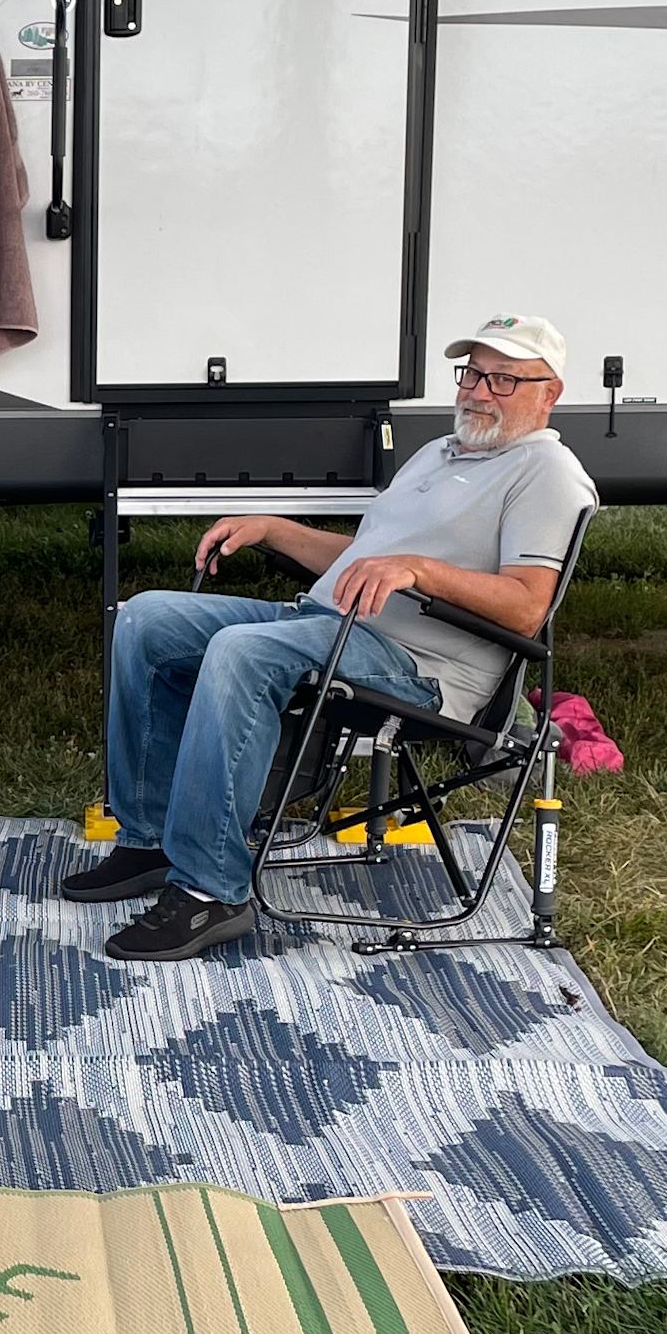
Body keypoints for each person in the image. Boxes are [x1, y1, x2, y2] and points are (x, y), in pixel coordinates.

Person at [65, 315, 598, 961]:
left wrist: (419, 569)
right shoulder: (441, 454)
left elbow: (527, 607)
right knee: (147, 619)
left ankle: (211, 892)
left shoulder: (545, 471)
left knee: (243, 652)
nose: (480, 391)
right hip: (326, 623)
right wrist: (276, 527)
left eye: (505, 379)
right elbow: (365, 559)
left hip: (421, 664)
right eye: (473, 373)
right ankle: (148, 840)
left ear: (550, 392)